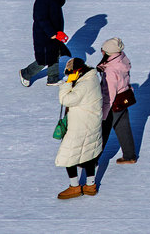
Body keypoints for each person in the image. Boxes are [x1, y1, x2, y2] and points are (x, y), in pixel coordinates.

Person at [54, 57, 104, 198]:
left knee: (69, 154)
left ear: (77, 72)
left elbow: (66, 100)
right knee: (89, 152)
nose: (68, 75)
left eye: (70, 73)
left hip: (81, 125)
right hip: (91, 122)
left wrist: (66, 85)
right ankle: (90, 185)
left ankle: (74, 187)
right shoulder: (91, 78)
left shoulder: (83, 85)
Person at [97, 37, 139, 165]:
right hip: (123, 99)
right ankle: (129, 156)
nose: (101, 52)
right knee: (123, 128)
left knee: (102, 132)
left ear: (109, 52)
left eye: (103, 50)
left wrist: (103, 113)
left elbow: (109, 93)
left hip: (113, 103)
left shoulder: (111, 70)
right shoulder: (122, 59)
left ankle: (92, 161)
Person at [21, 0, 70, 85]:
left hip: (55, 32)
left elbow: (59, 4)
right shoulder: (42, 0)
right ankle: (25, 73)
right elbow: (41, 19)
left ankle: (53, 79)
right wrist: (51, 33)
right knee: (44, 58)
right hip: (44, 34)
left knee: (55, 54)